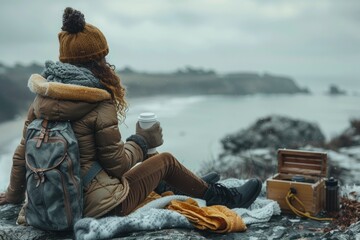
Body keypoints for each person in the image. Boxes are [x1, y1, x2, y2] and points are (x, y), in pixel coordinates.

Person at [0, 7, 262, 218]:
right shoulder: (97, 100)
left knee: (149, 160)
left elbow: (21, 155)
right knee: (165, 160)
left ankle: (184, 185)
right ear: (97, 62)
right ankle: (224, 197)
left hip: (50, 205)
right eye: (103, 58)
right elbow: (117, 167)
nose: (108, 64)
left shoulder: (41, 100)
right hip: (99, 208)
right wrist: (142, 141)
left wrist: (12, 196)